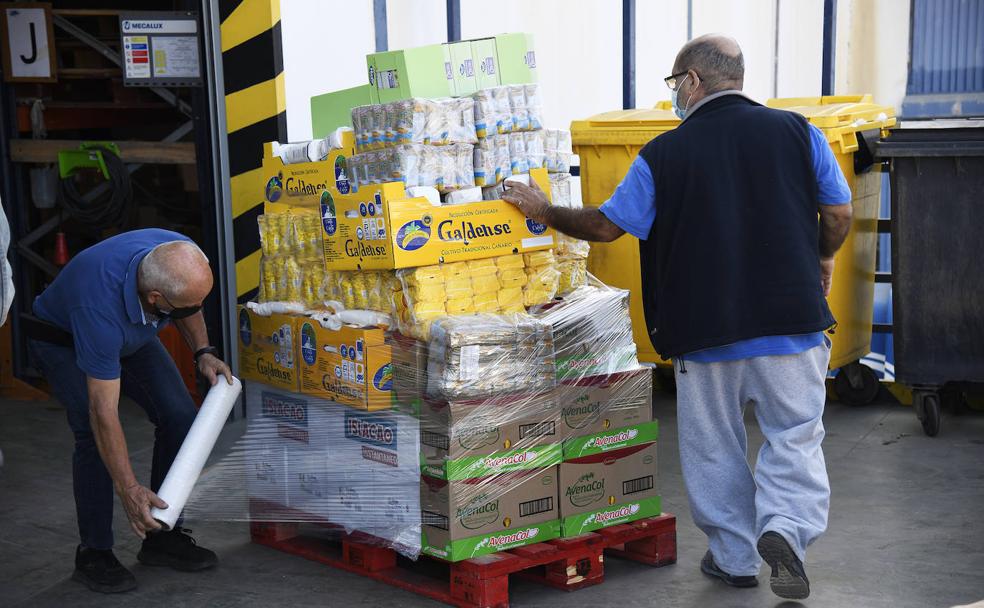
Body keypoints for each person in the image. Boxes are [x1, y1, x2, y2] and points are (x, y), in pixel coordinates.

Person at [502, 34, 853, 600]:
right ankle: (786, 528)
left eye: (674, 83)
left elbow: (605, 227)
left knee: (715, 443)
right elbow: (837, 211)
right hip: (792, 320)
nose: (674, 95)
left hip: (704, 328)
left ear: (692, 81)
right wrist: (823, 257)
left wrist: (543, 210)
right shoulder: (798, 132)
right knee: (795, 434)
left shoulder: (663, 154)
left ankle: (734, 558)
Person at [28, 229, 233, 594]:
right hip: (64, 338)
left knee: (180, 416)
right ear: (156, 298)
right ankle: (94, 553)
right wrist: (129, 489)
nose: (191, 309)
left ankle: (162, 536)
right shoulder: (98, 312)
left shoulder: (178, 253)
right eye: (181, 306)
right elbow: (103, 411)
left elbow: (189, 303)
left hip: (132, 330)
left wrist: (203, 351)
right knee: (93, 435)